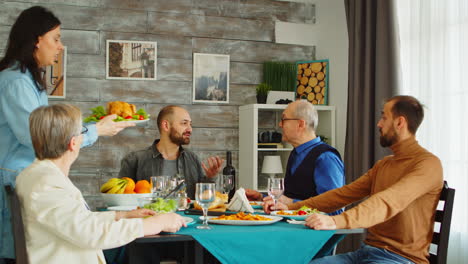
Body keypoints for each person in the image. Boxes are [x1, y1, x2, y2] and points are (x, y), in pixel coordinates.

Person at [0, 6, 134, 262]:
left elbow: (48, 132)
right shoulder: (16, 82)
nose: (60, 46)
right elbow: (39, 138)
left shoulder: (26, 79)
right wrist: (97, 130)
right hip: (15, 180)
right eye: (56, 38)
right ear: (37, 40)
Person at [264, 95, 443, 264]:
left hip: (399, 259)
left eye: (384, 118)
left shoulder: (427, 165)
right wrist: (290, 208)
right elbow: (342, 195)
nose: (379, 124)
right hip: (365, 253)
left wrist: (335, 221)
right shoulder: (384, 165)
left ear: (400, 122)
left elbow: (387, 202)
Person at [14, 104, 186, 264]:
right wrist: (157, 223)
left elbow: (77, 221)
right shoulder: (46, 184)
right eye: (82, 131)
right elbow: (88, 232)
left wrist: (120, 215)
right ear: (73, 143)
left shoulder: (37, 175)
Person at [246, 100, 344, 215]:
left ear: (301, 124)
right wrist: (260, 198)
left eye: (284, 119)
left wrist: (292, 203)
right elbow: (291, 196)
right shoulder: (296, 153)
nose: (280, 124)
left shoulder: (326, 158)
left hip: (315, 232)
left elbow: (335, 209)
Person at [119, 105, 224, 198]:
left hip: (187, 220)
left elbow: (202, 199)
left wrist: (211, 177)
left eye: (190, 124)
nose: (190, 129)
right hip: (151, 219)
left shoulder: (193, 158)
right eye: (184, 123)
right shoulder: (134, 160)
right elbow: (122, 199)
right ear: (166, 126)